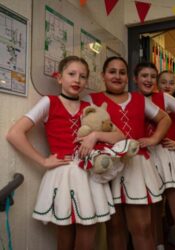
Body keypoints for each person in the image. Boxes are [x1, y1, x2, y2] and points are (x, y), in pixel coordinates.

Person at [6, 56, 126, 250]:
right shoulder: (49, 102)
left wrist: (95, 135)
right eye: (71, 74)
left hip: (89, 175)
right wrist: (43, 161)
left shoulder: (90, 108)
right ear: (59, 77)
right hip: (62, 175)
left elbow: (120, 136)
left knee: (88, 233)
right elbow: (14, 134)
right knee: (65, 234)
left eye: (82, 76)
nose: (77, 80)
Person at [83, 56, 171, 250]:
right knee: (114, 228)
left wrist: (154, 139)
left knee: (142, 226)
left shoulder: (139, 99)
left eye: (122, 72)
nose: (117, 76)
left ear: (128, 77)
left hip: (136, 166)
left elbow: (164, 119)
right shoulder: (92, 99)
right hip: (108, 166)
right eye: (112, 72)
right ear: (103, 75)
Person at [134, 63, 175, 250]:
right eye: (144, 76)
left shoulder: (163, 97)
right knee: (153, 212)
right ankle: (159, 245)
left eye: (152, 77)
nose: (148, 80)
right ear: (136, 79)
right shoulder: (132, 99)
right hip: (144, 157)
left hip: (166, 156)